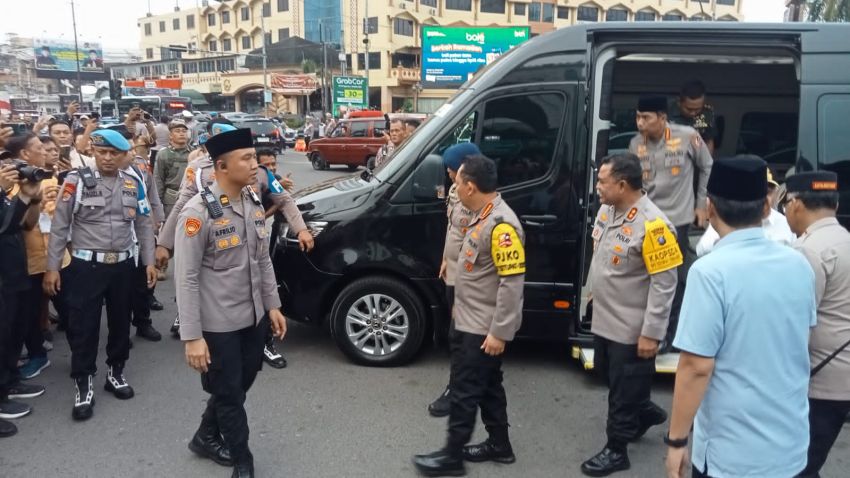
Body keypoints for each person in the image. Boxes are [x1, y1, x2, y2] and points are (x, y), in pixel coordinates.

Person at [665, 156, 816, 478]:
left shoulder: (709, 272)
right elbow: (802, 338)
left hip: (733, 454)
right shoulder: (799, 264)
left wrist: (676, 440)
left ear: (710, 208)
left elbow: (695, 367)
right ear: (766, 207)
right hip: (790, 445)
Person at [175, 128, 287, 478]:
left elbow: (262, 260)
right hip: (218, 324)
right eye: (247, 159)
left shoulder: (252, 203)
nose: (256, 165)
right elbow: (186, 278)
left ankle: (205, 435)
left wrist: (273, 305)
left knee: (239, 384)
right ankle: (243, 462)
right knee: (230, 395)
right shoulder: (197, 213)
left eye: (255, 157)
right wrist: (192, 336)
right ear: (221, 166)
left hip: (252, 316)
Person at [413, 155, 524, 477]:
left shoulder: (501, 226)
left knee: (463, 392)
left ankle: (451, 457)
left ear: (471, 187)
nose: (454, 188)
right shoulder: (481, 215)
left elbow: (512, 283)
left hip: (481, 327)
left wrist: (499, 333)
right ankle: (500, 445)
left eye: (457, 183)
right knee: (489, 385)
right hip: (468, 317)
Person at [44, 129, 158, 421]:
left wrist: (148, 261)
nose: (108, 158)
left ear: (124, 156)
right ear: (94, 152)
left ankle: (115, 372)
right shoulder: (75, 181)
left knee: (121, 321)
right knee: (85, 325)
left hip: (122, 265)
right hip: (86, 266)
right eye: (102, 152)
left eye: (114, 153)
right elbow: (59, 226)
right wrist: (53, 267)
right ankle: (84, 382)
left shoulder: (134, 184)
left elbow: (144, 224)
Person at [581, 153, 679, 477]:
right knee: (608, 375)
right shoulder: (608, 210)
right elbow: (602, 259)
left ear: (622, 185)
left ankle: (616, 449)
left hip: (631, 327)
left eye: (602, 181)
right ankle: (645, 411)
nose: (597, 187)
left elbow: (665, 285)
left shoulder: (654, 226)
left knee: (622, 391)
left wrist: (652, 333)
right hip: (604, 319)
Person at [629, 95, 713, 351]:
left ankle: (668, 335)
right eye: (637, 117)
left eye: (646, 118)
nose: (640, 123)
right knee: (645, 278)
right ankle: (648, 330)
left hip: (677, 220)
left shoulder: (688, 136)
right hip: (646, 222)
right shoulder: (635, 143)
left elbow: (707, 165)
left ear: (662, 118)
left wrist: (701, 204)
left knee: (672, 280)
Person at [783, 172, 850, 478]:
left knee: (796, 467)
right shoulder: (844, 239)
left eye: (785, 203)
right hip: (839, 376)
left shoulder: (807, 251)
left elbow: (794, 326)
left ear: (796, 203)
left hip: (817, 380)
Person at [428, 142, 480, 418]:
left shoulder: (478, 198)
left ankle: (457, 391)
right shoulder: (455, 191)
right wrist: (447, 259)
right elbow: (454, 229)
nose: (448, 174)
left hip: (469, 280)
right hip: (454, 273)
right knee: (455, 333)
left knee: (461, 338)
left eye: (452, 169)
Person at [0, 160, 44, 437]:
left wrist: (26, 195)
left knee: (10, 334)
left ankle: (7, 383)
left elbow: (15, 224)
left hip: (12, 275)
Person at [695, 165, 794, 256]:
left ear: (777, 193)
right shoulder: (727, 217)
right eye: (757, 192)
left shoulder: (785, 224)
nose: (764, 198)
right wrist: (725, 240)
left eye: (768, 192)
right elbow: (701, 249)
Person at [122, 134, 165, 341]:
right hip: (118, 243)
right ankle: (121, 332)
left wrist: (159, 221)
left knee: (143, 282)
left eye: (132, 148)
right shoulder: (94, 177)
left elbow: (153, 196)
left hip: (141, 235)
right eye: (128, 149)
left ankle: (143, 322)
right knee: (121, 291)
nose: (132, 153)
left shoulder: (140, 171)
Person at [256, 148, 294, 369]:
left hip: (265, 243)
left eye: (273, 164)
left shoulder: (275, 180)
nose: (271, 169)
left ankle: (266, 344)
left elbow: (285, 202)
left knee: (267, 291)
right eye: (266, 165)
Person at [154, 119, 192, 231]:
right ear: (170, 135)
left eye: (184, 131)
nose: (181, 133)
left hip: (191, 196)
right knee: (171, 231)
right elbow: (158, 180)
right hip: (172, 198)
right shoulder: (163, 154)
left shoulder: (194, 153)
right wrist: (157, 206)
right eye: (177, 131)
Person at [669, 80, 718, 154]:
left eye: (697, 109)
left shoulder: (707, 113)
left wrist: (706, 162)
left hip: (695, 154)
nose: (693, 113)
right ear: (679, 102)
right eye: (689, 109)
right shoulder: (666, 110)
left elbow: (708, 141)